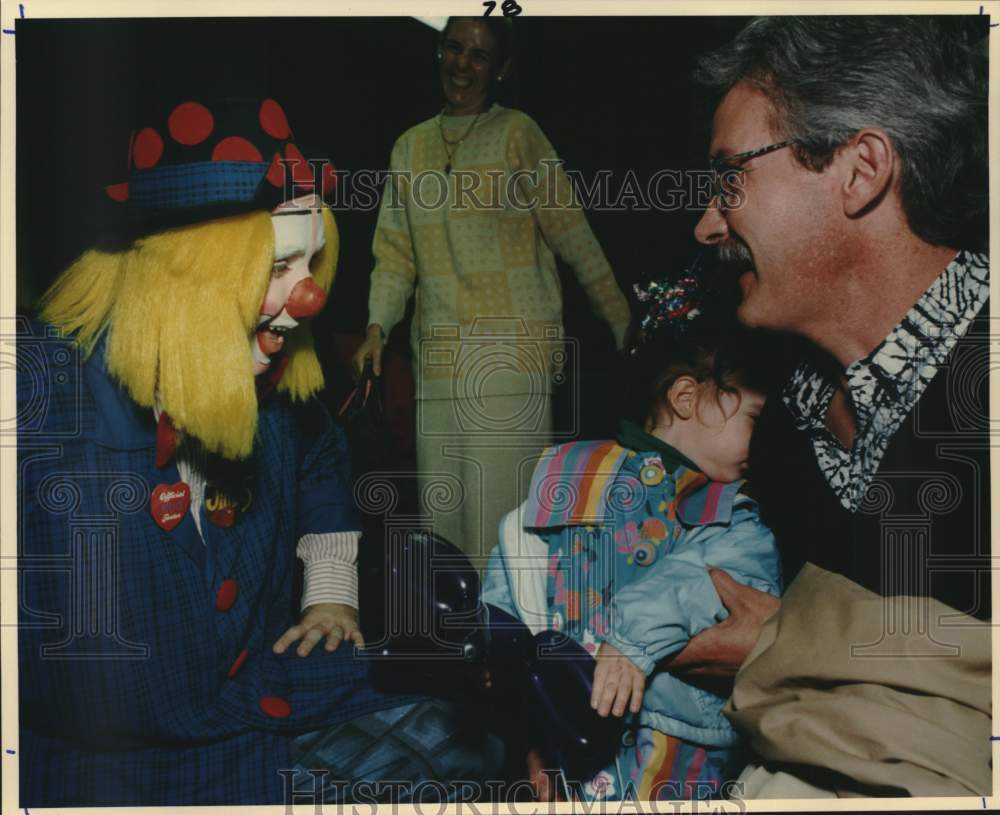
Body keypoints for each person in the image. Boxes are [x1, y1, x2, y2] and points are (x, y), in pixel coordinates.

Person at [17, 96, 500, 806]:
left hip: (257, 725)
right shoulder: (45, 402)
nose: (306, 297)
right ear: (178, 273)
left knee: (474, 745)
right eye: (277, 267)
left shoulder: (272, 380)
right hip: (109, 776)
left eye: (312, 262)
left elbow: (321, 455)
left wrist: (331, 584)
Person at [670, 16, 990, 798]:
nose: (708, 223)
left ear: (861, 169)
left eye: (730, 177)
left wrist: (786, 643)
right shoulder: (781, 433)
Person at [481, 276, 782, 801]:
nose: (767, 439)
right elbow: (518, 552)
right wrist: (500, 650)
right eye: (756, 418)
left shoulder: (735, 514)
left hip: (674, 736)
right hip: (563, 732)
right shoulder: (575, 470)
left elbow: (705, 580)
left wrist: (631, 638)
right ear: (687, 398)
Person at [353, 17, 631, 563]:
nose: (463, 64)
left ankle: (512, 644)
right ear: (438, 52)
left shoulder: (517, 133)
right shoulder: (409, 148)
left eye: (479, 56)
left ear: (501, 69)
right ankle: (461, 643)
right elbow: (394, 255)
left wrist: (619, 317)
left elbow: (571, 232)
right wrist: (377, 327)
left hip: (512, 356)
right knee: (445, 523)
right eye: (454, 48)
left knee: (505, 527)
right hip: (439, 358)